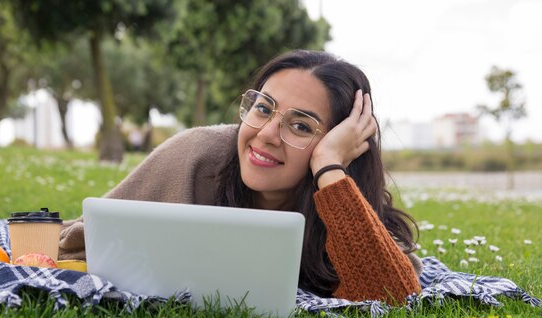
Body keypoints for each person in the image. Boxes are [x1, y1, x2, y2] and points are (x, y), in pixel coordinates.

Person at [59, 50, 423, 304]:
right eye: (263, 108)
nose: (266, 133)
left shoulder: (342, 195)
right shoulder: (196, 154)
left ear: (341, 143)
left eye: (300, 125)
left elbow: (394, 298)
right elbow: (76, 241)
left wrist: (329, 167)